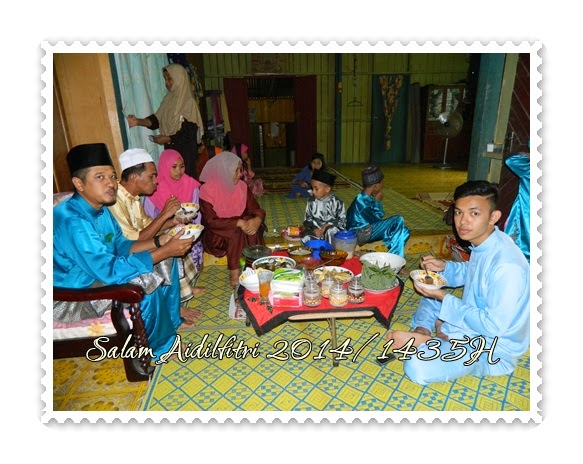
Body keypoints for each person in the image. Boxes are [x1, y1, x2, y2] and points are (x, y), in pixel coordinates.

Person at [53, 143, 194, 361]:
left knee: (166, 260)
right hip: (73, 294)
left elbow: (120, 245)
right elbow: (109, 270)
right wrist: (163, 251)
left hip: (96, 275)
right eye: (100, 177)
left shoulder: (100, 209)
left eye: (111, 176)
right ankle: (161, 347)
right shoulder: (72, 220)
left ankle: (170, 324)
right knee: (145, 281)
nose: (110, 183)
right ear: (79, 184)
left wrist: (160, 243)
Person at [386, 180, 530, 385]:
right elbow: (473, 272)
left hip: (491, 346)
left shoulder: (507, 266)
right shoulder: (487, 242)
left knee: (418, 367)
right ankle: (423, 332)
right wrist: (444, 267)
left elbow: (493, 327)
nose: (463, 221)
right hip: (474, 318)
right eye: (458, 212)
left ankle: (436, 338)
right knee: (433, 292)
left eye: (474, 214)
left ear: (493, 217)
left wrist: (443, 297)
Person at [107, 148, 203, 322]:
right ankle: (171, 312)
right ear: (134, 177)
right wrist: (164, 215)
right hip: (123, 256)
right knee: (168, 249)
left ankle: (174, 306)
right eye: (152, 176)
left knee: (175, 235)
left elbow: (149, 226)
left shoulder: (133, 198)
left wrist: (173, 221)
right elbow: (132, 241)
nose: (156, 181)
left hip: (137, 246)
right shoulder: (115, 201)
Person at [198, 151, 267, 288]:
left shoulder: (241, 186)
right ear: (224, 172)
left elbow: (254, 208)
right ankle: (234, 273)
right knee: (236, 229)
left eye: (240, 170)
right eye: (236, 171)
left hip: (240, 231)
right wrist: (237, 222)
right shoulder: (207, 190)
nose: (240, 174)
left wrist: (257, 219)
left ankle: (256, 266)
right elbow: (211, 222)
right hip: (217, 236)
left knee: (251, 225)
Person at [127, 63, 204, 179]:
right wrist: (137, 121)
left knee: (184, 180)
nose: (167, 83)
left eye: (170, 79)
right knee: (171, 180)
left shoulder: (189, 102)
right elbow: (157, 120)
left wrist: (168, 138)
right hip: (170, 150)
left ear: (179, 78)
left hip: (185, 153)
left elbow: (189, 133)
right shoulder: (168, 99)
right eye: (165, 79)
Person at [144, 148, 205, 291]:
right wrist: (167, 222)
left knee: (188, 236)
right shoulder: (155, 188)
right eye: (174, 167)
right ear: (164, 167)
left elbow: (196, 209)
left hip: (186, 225)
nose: (179, 171)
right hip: (162, 229)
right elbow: (148, 218)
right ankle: (180, 288)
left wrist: (193, 223)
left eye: (182, 166)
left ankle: (189, 283)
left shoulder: (190, 184)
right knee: (174, 240)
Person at [346, 165, 410, 257]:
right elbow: (377, 220)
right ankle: (396, 257)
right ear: (376, 186)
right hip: (360, 233)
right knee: (398, 220)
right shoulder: (362, 203)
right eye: (381, 183)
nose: (382, 186)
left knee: (404, 231)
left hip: (369, 228)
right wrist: (377, 201)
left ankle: (391, 254)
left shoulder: (366, 197)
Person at [302, 169, 346, 243]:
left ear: (327, 189)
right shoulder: (311, 201)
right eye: (312, 188)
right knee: (306, 236)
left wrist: (328, 225)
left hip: (331, 231)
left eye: (316, 189)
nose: (313, 191)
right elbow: (307, 220)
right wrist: (315, 229)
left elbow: (342, 221)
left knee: (331, 231)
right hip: (315, 231)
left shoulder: (338, 202)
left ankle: (329, 248)